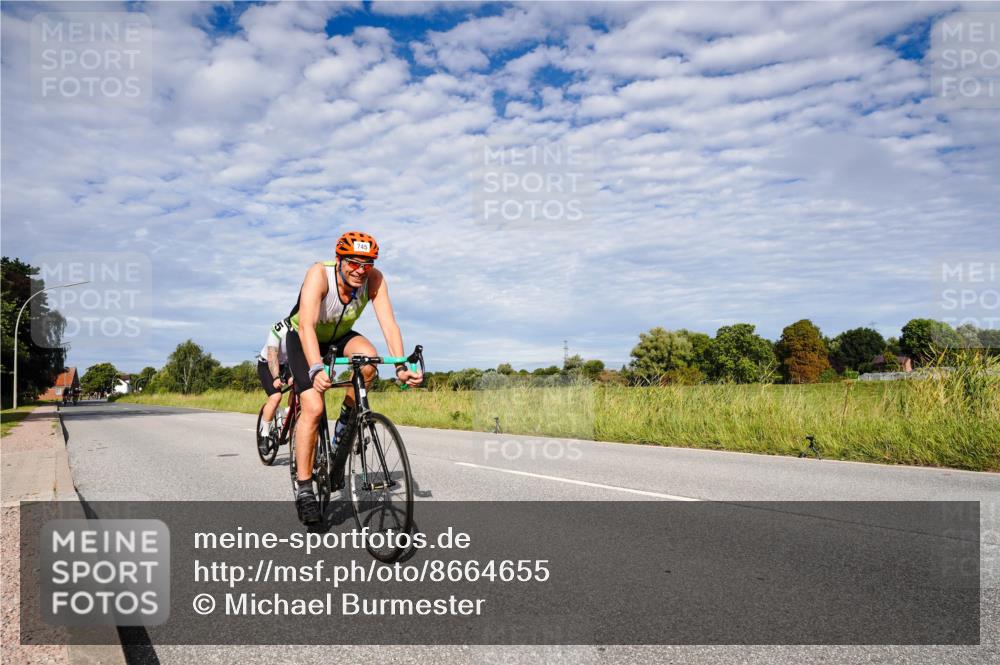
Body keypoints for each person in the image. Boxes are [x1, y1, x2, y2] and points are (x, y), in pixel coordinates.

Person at [285, 231, 422, 524]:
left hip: (339, 336)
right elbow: (307, 326)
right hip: (304, 338)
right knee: (314, 406)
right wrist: (315, 368)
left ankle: (346, 426)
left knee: (369, 362)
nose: (360, 270)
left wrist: (400, 366)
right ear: (339, 260)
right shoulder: (319, 274)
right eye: (353, 263)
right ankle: (306, 489)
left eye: (367, 263)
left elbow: (389, 323)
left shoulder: (374, 279)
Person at [256, 318, 291, 444]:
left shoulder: (307, 327)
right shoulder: (279, 328)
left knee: (299, 385)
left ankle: (286, 413)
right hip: (267, 363)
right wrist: (276, 377)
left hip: (287, 364)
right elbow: (272, 355)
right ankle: (264, 434)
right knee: (276, 396)